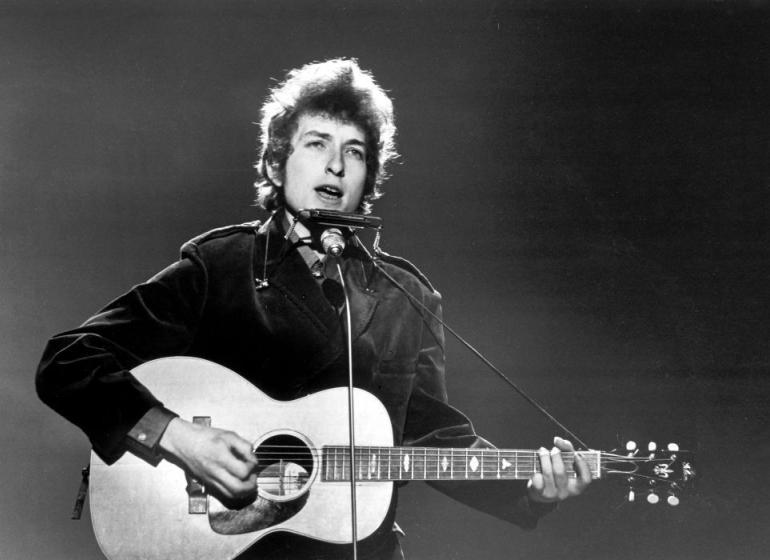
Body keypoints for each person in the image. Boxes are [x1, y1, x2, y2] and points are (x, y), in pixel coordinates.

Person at [36, 58, 590, 559]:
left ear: (369, 179)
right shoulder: (222, 266)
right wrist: (180, 436)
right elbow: (67, 362)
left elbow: (435, 441)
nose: (336, 166)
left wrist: (531, 489)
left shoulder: (407, 297)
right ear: (277, 166)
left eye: (354, 152)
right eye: (316, 144)